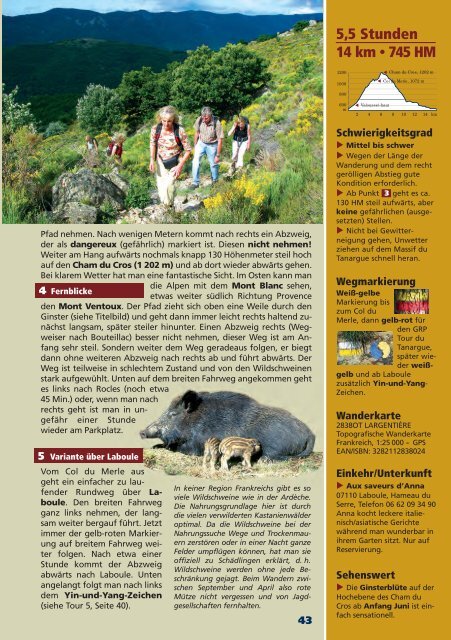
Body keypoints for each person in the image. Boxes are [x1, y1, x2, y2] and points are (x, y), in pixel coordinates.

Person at [149, 106, 192, 207]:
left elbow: (188, 150)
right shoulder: (155, 129)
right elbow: (152, 144)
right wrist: (152, 160)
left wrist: (180, 166)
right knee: (161, 190)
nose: (166, 124)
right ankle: (168, 207)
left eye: (169, 121)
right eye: (164, 120)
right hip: (160, 161)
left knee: (169, 186)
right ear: (160, 119)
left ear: (173, 120)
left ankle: (169, 208)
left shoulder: (179, 130)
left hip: (176, 161)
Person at [191, 106, 224, 188]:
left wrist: (218, 155)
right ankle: (195, 183)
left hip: (212, 145)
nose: (204, 120)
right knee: (195, 162)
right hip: (201, 143)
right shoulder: (199, 120)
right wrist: (195, 146)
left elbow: (220, 140)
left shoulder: (217, 123)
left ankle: (215, 181)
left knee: (213, 164)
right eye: (203, 117)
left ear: (211, 116)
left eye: (206, 118)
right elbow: (197, 133)